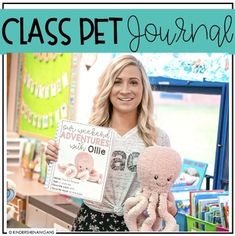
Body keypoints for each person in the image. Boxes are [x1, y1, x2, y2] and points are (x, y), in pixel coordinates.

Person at [45, 54, 177, 232]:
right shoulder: (88, 133)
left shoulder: (158, 139)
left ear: (143, 88)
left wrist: (169, 208)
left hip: (137, 226)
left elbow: (164, 193)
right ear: (108, 87)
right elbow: (70, 176)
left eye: (133, 82)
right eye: (117, 81)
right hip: (91, 223)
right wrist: (55, 158)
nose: (125, 90)